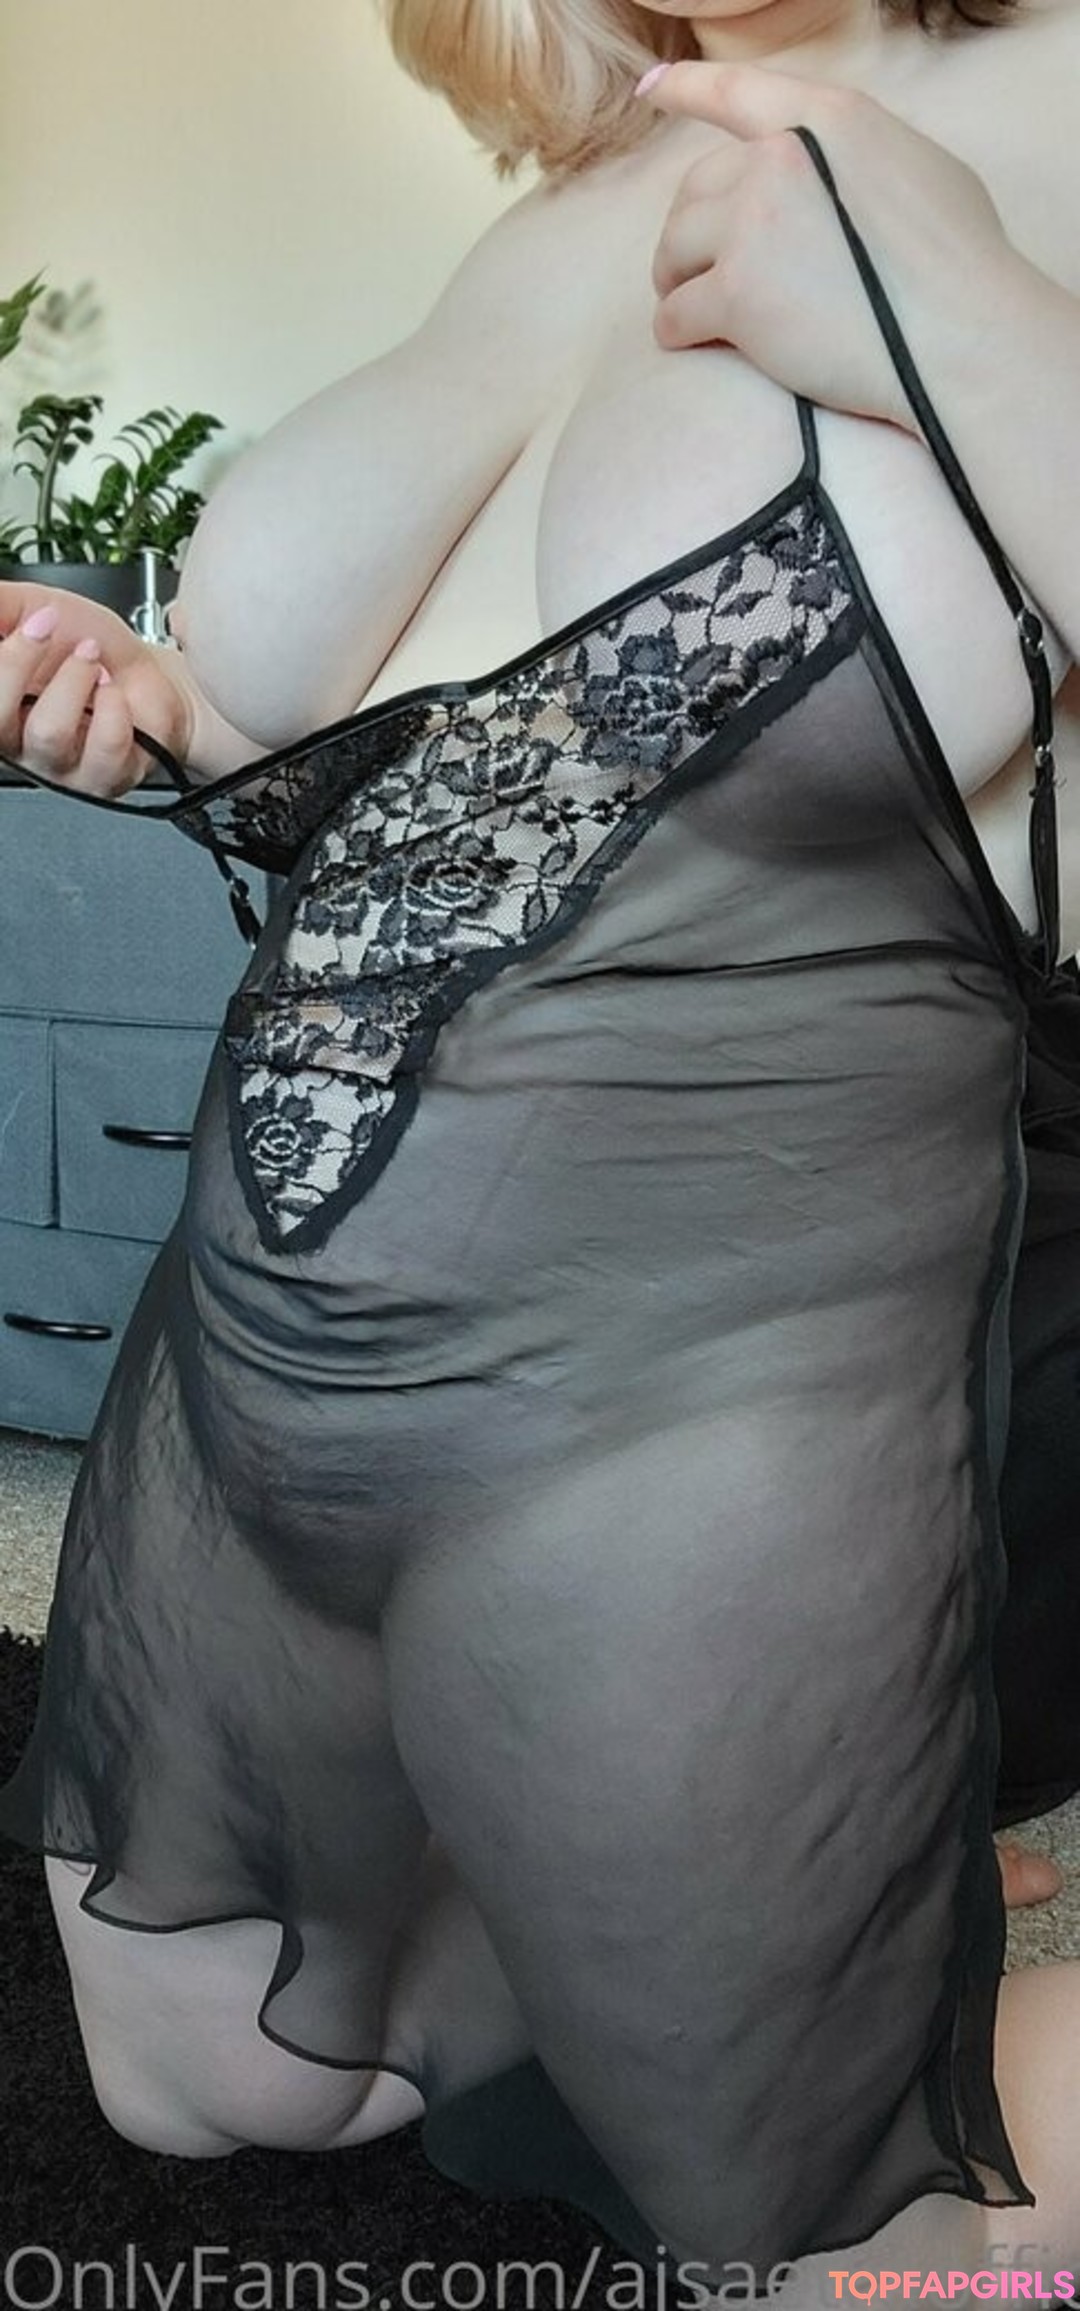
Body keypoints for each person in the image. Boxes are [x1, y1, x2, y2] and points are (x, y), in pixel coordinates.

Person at [0, 0, 1079, 2292]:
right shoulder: (567, 201)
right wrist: (154, 706)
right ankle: (742, 1907)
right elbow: (420, 733)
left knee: (852, 2257)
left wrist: (960, 301)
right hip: (249, 1403)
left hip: (694, 1400)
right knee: (205, 2086)